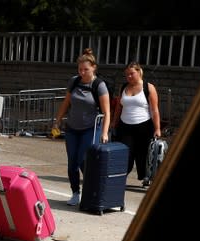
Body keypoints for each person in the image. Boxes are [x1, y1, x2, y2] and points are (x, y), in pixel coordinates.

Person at [54, 48, 111, 206]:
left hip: (90, 129)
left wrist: (105, 132)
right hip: (72, 128)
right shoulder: (74, 81)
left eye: (86, 69)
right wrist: (57, 120)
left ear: (94, 68)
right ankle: (75, 193)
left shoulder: (99, 85)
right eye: (80, 69)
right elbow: (66, 103)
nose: (82, 72)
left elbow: (107, 112)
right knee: (72, 162)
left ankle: (93, 188)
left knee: (82, 160)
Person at [111, 62, 161, 185]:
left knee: (143, 155)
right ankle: (120, 177)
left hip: (144, 126)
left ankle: (146, 178)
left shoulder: (148, 87)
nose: (129, 77)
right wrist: (114, 123)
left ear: (139, 72)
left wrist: (157, 128)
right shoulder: (123, 87)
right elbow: (118, 107)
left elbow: (154, 110)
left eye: (131, 73)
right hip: (125, 126)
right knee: (125, 153)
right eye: (127, 74)